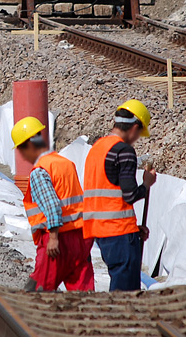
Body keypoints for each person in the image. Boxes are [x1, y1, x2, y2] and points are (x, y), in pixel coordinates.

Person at [13, 116, 94, 292]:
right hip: (81, 237)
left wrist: (54, 238)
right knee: (84, 294)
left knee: (39, 291)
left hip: (58, 239)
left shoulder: (40, 171)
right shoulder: (65, 163)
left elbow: (52, 205)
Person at [83, 100, 157, 291]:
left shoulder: (97, 148)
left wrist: (133, 229)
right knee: (125, 294)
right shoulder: (124, 151)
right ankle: (118, 321)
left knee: (119, 286)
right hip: (118, 232)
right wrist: (146, 184)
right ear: (134, 127)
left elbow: (107, 194)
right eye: (140, 133)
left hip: (100, 232)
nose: (137, 138)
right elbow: (130, 194)